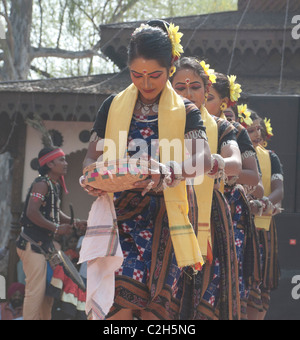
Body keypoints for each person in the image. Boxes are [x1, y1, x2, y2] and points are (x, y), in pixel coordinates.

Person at [80, 20, 212, 320]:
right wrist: (92, 178)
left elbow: (202, 158)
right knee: (115, 300)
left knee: (156, 308)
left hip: (165, 216)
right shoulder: (112, 106)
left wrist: (170, 171)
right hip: (120, 217)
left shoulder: (186, 111)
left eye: (155, 75)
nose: (146, 83)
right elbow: (91, 159)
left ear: (171, 67)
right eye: (137, 75)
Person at [171, 57, 242, 320]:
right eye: (180, 88)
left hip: (205, 221)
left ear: (206, 87)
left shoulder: (221, 127)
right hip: (160, 213)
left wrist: (221, 161)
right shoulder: (158, 120)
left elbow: (235, 161)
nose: (188, 94)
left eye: (195, 87)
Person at [204, 72, 263, 319]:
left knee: (221, 287)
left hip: (225, 218)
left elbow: (253, 176)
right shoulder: (177, 121)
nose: (196, 98)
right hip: (184, 212)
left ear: (224, 103)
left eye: (209, 97)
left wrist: (215, 170)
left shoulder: (235, 132)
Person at [16, 147, 86, 320]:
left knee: (50, 291)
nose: (66, 163)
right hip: (32, 245)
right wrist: (56, 229)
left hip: (44, 247)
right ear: (49, 163)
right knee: (36, 291)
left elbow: (54, 212)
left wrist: (74, 222)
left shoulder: (53, 185)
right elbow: (32, 212)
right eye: (61, 160)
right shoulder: (41, 184)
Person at [245, 111, 284, 320]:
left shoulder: (271, 157)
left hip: (262, 232)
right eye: (251, 130)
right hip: (238, 230)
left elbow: (279, 189)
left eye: (259, 128)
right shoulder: (230, 153)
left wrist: (264, 202)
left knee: (260, 292)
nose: (257, 133)